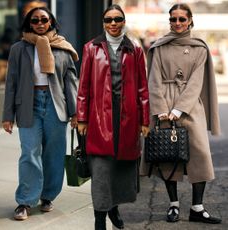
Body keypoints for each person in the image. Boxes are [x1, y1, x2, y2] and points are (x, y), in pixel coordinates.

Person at [140, 3, 222, 224]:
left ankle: (197, 207)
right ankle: (173, 205)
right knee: (167, 156)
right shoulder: (158, 47)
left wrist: (178, 109)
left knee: (201, 155)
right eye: (173, 19)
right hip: (163, 107)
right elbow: (154, 80)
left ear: (190, 20)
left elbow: (196, 82)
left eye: (181, 19)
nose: (177, 23)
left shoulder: (200, 48)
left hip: (190, 107)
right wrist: (162, 110)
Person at [77, 4, 150, 230]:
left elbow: (142, 88)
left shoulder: (135, 48)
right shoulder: (91, 48)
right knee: (100, 170)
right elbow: (84, 87)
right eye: (109, 20)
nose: (113, 24)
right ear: (103, 22)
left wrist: (144, 119)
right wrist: (82, 117)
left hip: (127, 118)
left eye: (118, 19)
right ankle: (100, 218)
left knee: (120, 169)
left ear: (123, 21)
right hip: (98, 117)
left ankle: (114, 209)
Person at [2, 7, 79, 220]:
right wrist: (7, 115)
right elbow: (11, 83)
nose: (39, 23)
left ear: (51, 22)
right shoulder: (19, 48)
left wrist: (75, 113)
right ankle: (25, 201)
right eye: (34, 20)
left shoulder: (63, 48)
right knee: (29, 153)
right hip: (29, 105)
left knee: (54, 154)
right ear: (29, 23)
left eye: (44, 19)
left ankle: (47, 196)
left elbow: (70, 83)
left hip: (56, 105)